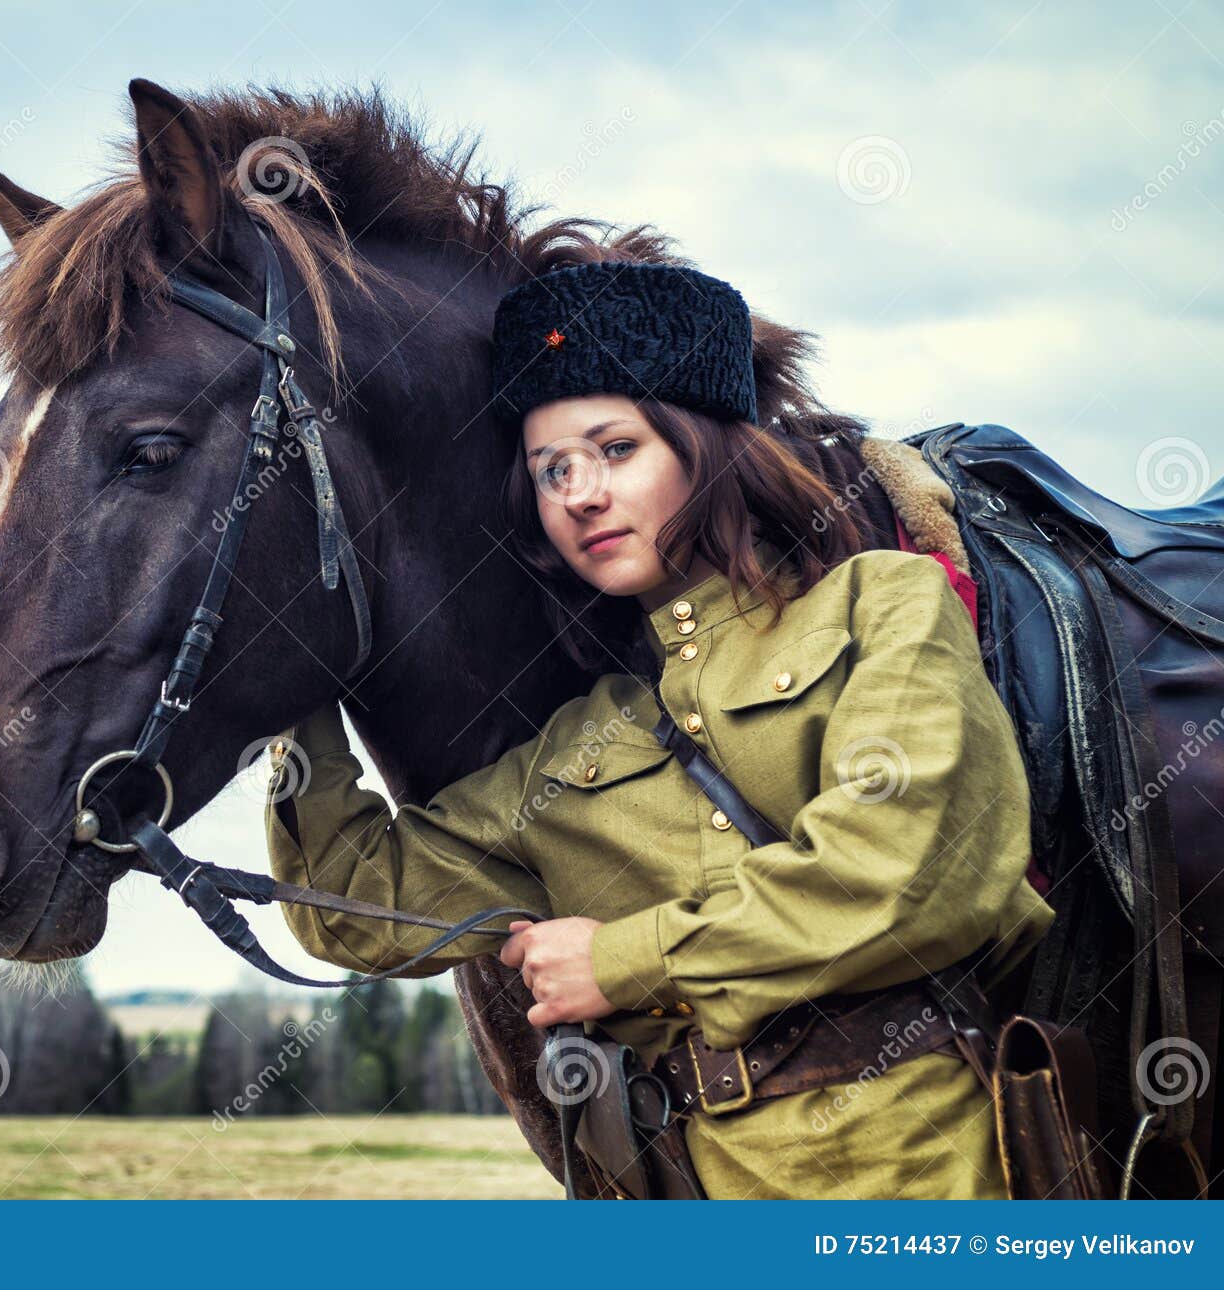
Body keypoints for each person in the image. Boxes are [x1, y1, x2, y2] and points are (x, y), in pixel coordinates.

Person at [261, 258, 1055, 1199]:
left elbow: (914, 869)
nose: (579, 493)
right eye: (551, 469)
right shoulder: (568, 753)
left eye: (616, 449)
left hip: (920, 1175)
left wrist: (621, 960)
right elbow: (347, 903)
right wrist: (291, 670)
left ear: (706, 444)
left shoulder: (882, 605)